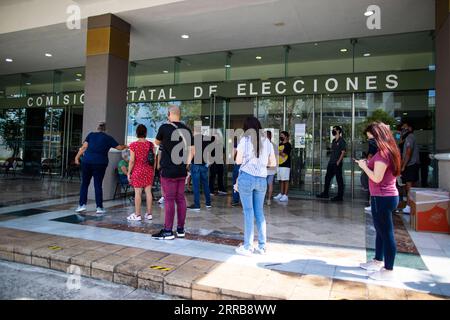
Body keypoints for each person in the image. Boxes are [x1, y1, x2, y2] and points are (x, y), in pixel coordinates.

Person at [355, 122, 401, 281]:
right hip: (384, 197)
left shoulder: (383, 154)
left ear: (379, 136)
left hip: (382, 198)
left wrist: (364, 166)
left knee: (386, 234)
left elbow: (376, 177)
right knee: (381, 232)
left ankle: (388, 270)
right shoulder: (388, 151)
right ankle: (377, 261)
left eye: (371, 138)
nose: (370, 142)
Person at [234, 117, 276, 256]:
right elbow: (273, 163)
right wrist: (261, 163)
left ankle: (248, 247)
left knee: (248, 212)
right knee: (259, 213)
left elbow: (238, 161)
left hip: (246, 177)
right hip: (262, 180)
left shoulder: (244, 140)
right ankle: (262, 246)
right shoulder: (267, 141)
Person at [152, 105, 194, 240]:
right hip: (181, 170)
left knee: (169, 199)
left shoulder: (164, 128)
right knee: (180, 198)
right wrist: (186, 165)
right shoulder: (186, 129)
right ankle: (181, 229)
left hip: (168, 170)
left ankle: (168, 231)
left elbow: (156, 142)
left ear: (169, 114)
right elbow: (192, 151)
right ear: (179, 115)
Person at [75, 122, 127, 214]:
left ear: (98, 128)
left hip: (87, 161)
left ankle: (81, 205)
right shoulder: (108, 138)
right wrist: (126, 146)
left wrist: (77, 157)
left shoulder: (91, 135)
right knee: (98, 185)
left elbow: (84, 147)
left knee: (85, 184)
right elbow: (119, 147)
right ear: (106, 130)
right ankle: (99, 207)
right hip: (100, 163)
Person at [126, 124, 155, 221]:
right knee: (148, 192)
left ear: (137, 133)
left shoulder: (133, 145)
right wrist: (153, 171)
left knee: (137, 193)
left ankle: (137, 215)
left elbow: (132, 161)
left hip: (138, 170)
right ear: (146, 133)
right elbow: (153, 159)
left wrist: (129, 172)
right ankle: (149, 214)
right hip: (149, 170)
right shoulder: (151, 145)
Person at [316, 125, 346, 201]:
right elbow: (333, 151)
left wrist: (338, 162)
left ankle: (340, 196)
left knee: (339, 179)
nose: (333, 131)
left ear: (338, 131)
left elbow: (343, 152)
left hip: (337, 163)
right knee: (327, 178)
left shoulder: (342, 141)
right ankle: (325, 193)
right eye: (333, 129)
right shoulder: (333, 141)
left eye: (334, 130)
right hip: (331, 162)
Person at [188, 126, 212, 211]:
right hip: (204, 165)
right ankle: (208, 203)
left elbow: (192, 152)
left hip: (196, 165)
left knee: (196, 185)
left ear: (194, 131)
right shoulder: (206, 139)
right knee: (205, 184)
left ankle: (197, 205)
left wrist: (187, 164)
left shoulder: (193, 139)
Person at [399, 121, 420, 214]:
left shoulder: (410, 137)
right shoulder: (406, 138)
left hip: (410, 165)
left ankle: (408, 206)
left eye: (405, 128)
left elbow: (408, 152)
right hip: (409, 164)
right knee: (406, 186)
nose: (403, 130)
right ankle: (406, 204)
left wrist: (403, 166)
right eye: (402, 129)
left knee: (409, 186)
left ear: (410, 129)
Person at [273, 131, 291, 202]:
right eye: (280, 135)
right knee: (281, 180)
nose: (281, 137)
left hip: (286, 165)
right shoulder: (280, 144)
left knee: (285, 180)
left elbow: (284, 154)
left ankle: (285, 195)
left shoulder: (288, 145)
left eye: (282, 135)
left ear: (286, 136)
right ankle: (281, 193)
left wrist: (279, 151)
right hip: (279, 164)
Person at [363, 137, 378, 212]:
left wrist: (367, 164)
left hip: (372, 165)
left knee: (371, 182)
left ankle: (373, 204)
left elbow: (370, 154)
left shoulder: (373, 143)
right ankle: (372, 203)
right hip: (373, 164)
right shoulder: (374, 142)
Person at [266, 130, 277, 206]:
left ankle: (261, 199)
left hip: (265, 168)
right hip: (272, 168)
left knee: (262, 184)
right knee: (270, 184)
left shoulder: (263, 145)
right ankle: (269, 200)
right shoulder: (274, 145)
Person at [231, 136, 241, 207]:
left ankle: (235, 200)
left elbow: (234, 156)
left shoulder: (237, 144)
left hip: (238, 165)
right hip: (245, 166)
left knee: (235, 183)